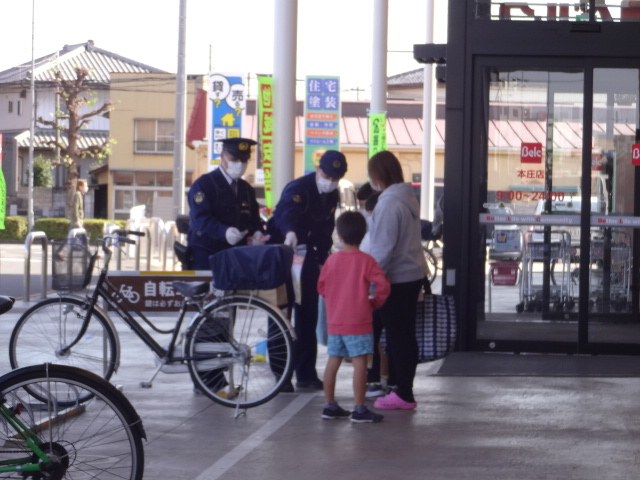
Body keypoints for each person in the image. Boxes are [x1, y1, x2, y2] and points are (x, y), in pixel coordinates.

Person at [267, 150, 348, 390]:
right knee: (281, 315)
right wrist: (290, 232)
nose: (331, 182)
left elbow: (325, 228)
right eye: (328, 175)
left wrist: (324, 258)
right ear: (318, 169)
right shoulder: (299, 188)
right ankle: (281, 377)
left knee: (308, 316)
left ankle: (305, 374)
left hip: (309, 260)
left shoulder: (332, 194)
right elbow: (285, 213)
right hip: (285, 254)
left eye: (336, 178)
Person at [367, 150, 427, 410]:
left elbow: (382, 248)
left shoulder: (389, 203)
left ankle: (403, 393)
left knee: (398, 335)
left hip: (396, 278)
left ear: (378, 175)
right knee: (404, 335)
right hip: (412, 275)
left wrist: (370, 279)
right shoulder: (406, 198)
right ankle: (402, 388)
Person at [318, 211, 390, 422]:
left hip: (336, 322)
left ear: (339, 236)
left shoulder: (331, 260)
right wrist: (372, 304)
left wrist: (334, 300)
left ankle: (329, 405)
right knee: (360, 363)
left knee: (333, 362)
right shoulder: (367, 261)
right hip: (359, 322)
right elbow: (383, 286)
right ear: (364, 234)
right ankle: (359, 409)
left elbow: (321, 286)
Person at [187, 137, 266, 270]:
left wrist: (258, 232)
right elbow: (200, 218)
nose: (240, 164)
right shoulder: (204, 184)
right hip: (207, 254)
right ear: (222, 156)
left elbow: (254, 219)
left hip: (238, 255)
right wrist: (224, 232)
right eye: (235, 160)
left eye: (244, 160)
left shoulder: (246, 189)